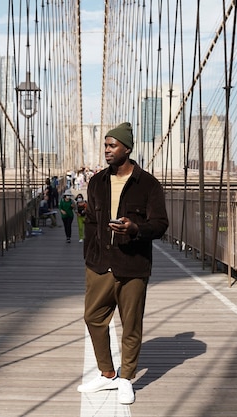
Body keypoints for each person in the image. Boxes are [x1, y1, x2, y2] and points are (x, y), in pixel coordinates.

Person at [77, 122, 168, 405]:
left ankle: (125, 378)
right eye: (105, 145)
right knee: (93, 317)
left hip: (133, 265)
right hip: (100, 264)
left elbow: (160, 224)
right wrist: (90, 255)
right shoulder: (96, 182)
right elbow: (92, 222)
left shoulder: (149, 184)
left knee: (131, 324)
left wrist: (135, 229)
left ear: (127, 149)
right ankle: (107, 374)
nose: (106, 150)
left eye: (112, 145)